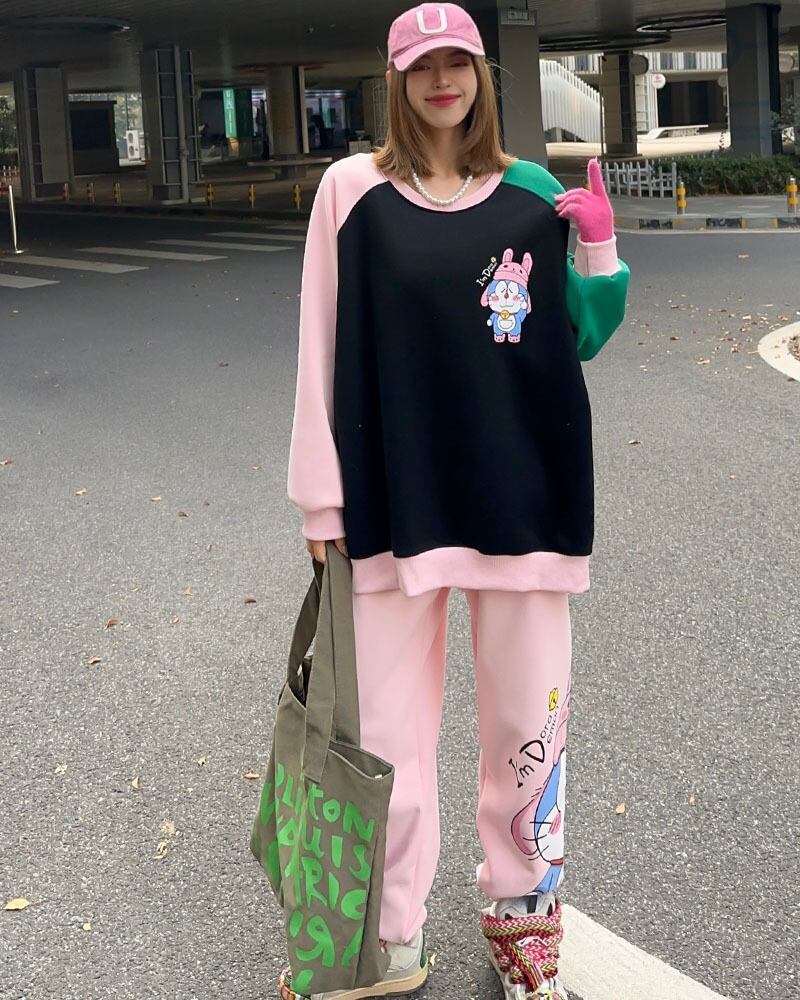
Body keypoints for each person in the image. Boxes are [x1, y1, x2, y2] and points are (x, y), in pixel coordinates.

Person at [284, 3, 630, 998]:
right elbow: (318, 340)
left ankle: (523, 927)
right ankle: (384, 940)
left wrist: (599, 248)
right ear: (396, 80)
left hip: (523, 500)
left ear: (482, 75)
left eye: (459, 63)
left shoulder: (530, 191)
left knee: (528, 733)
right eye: (422, 65)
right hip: (392, 505)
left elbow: (583, 333)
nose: (443, 80)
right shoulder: (351, 191)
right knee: (383, 740)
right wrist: (320, 502)